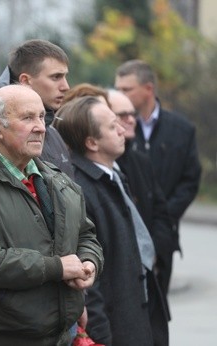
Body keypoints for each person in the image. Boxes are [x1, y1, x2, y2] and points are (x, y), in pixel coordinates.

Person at [0, 85, 104, 346]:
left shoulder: (57, 178)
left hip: (61, 335)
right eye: (28, 118)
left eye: (42, 117)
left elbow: (85, 234)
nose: (40, 127)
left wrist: (89, 262)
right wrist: (56, 267)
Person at [55, 96, 169, 345]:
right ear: (92, 142)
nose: (122, 129)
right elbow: (89, 280)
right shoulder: (82, 189)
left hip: (137, 324)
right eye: (111, 126)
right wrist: (102, 338)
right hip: (116, 333)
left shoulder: (112, 176)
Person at [115, 60, 201, 293]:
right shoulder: (115, 128)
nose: (120, 94)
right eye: (118, 89)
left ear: (148, 89)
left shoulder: (181, 130)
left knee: (156, 314)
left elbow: (190, 180)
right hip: (126, 236)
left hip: (163, 238)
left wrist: (164, 218)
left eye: (126, 89)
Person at [109, 89, 177, 307]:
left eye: (132, 114)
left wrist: (153, 252)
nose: (131, 119)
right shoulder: (102, 168)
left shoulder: (141, 161)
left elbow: (161, 214)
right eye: (122, 115)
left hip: (150, 273)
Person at [0, 39, 74, 178]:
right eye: (56, 77)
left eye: (65, 76)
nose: (65, 86)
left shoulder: (52, 131)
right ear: (25, 81)